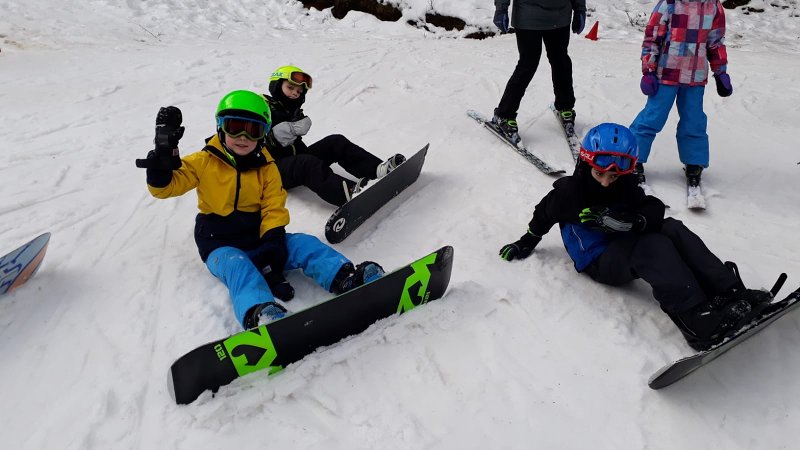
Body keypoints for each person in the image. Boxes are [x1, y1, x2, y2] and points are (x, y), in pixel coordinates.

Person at [498, 123, 770, 351]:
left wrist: (632, 221)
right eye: (599, 173)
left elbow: (652, 208)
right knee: (653, 245)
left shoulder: (624, 186)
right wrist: (526, 241)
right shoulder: (570, 193)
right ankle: (696, 320)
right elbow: (543, 214)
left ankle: (729, 292)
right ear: (586, 162)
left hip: (623, 244)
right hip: (599, 261)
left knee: (672, 227)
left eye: (614, 175)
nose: (606, 182)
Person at [136, 90, 385, 330]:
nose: (243, 136)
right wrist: (162, 161)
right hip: (220, 244)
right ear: (221, 127)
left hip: (260, 236)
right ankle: (260, 313)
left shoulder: (267, 168)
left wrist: (273, 240)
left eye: (253, 130)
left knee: (305, 244)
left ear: (263, 134)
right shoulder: (204, 161)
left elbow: (273, 205)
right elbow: (165, 188)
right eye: (235, 127)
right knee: (239, 267)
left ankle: (345, 277)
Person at [262, 65, 406, 207]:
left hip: (295, 160)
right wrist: (272, 136)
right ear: (277, 85)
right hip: (271, 172)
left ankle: (376, 170)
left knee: (335, 142)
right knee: (306, 163)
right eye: (290, 87)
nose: (295, 93)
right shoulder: (262, 107)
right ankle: (349, 193)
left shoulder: (291, 112)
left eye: (299, 91)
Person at [629, 0, 732, 190]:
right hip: (666, 74)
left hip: (695, 76)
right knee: (653, 117)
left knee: (694, 120)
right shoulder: (669, 4)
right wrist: (648, 70)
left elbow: (716, 42)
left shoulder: (713, 6)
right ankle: (632, 158)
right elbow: (652, 38)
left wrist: (720, 72)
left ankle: (694, 161)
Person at [490, 0, 586, 144]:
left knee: (561, 61)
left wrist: (580, 8)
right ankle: (504, 114)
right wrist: (501, 8)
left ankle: (565, 107)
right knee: (528, 64)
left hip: (560, 17)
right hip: (528, 16)